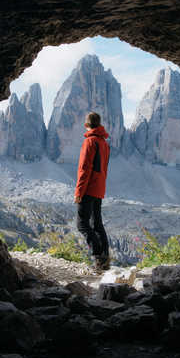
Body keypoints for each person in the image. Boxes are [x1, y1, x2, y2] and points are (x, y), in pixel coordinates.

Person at [74, 112, 111, 272]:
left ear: (86, 125)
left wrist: (79, 192)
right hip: (99, 188)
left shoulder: (90, 141)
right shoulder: (104, 143)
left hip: (88, 188)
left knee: (82, 224)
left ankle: (98, 258)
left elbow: (84, 169)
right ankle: (105, 261)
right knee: (97, 224)